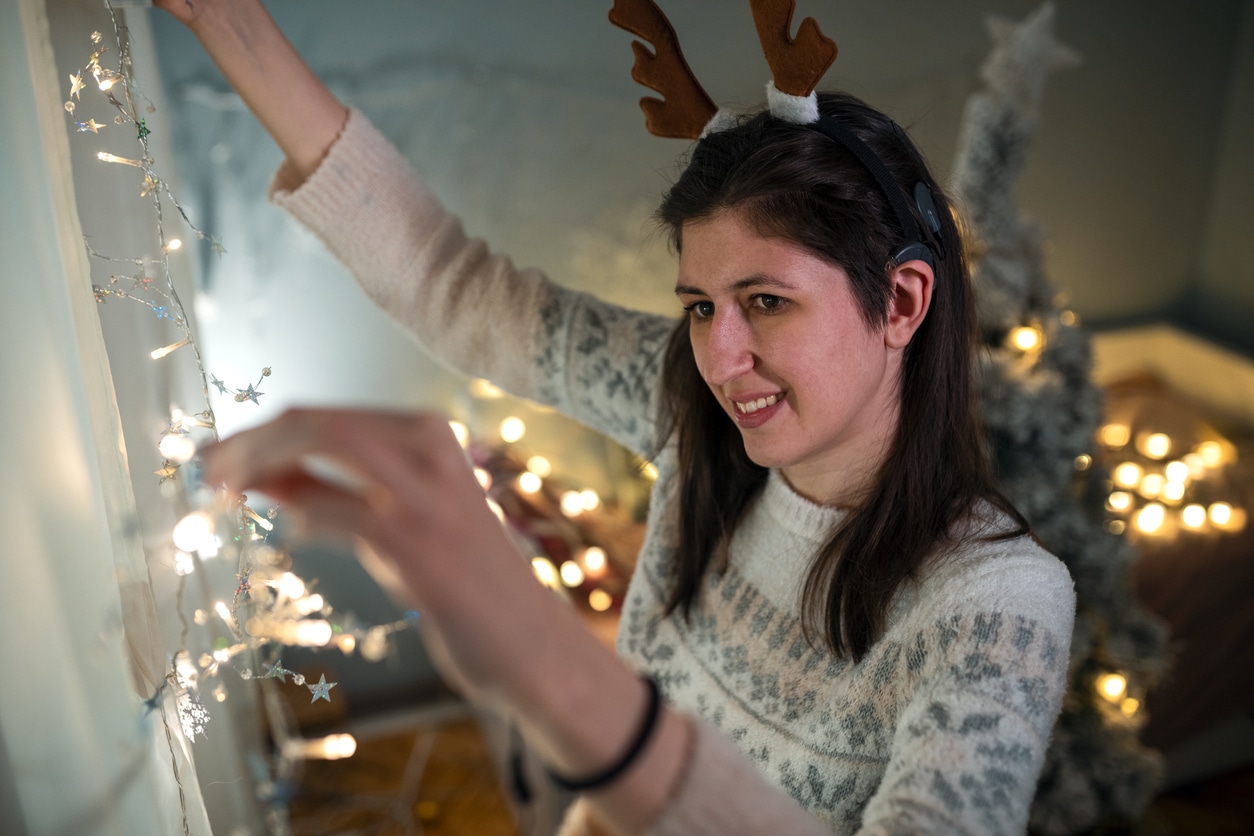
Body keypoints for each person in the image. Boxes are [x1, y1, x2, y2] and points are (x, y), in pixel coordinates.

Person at [167, 1, 1077, 832]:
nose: (720, 360)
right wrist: (225, 19)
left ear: (904, 303)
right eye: (700, 305)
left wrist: (551, 665)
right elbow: (450, 281)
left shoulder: (998, 605)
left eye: (766, 302)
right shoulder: (687, 402)